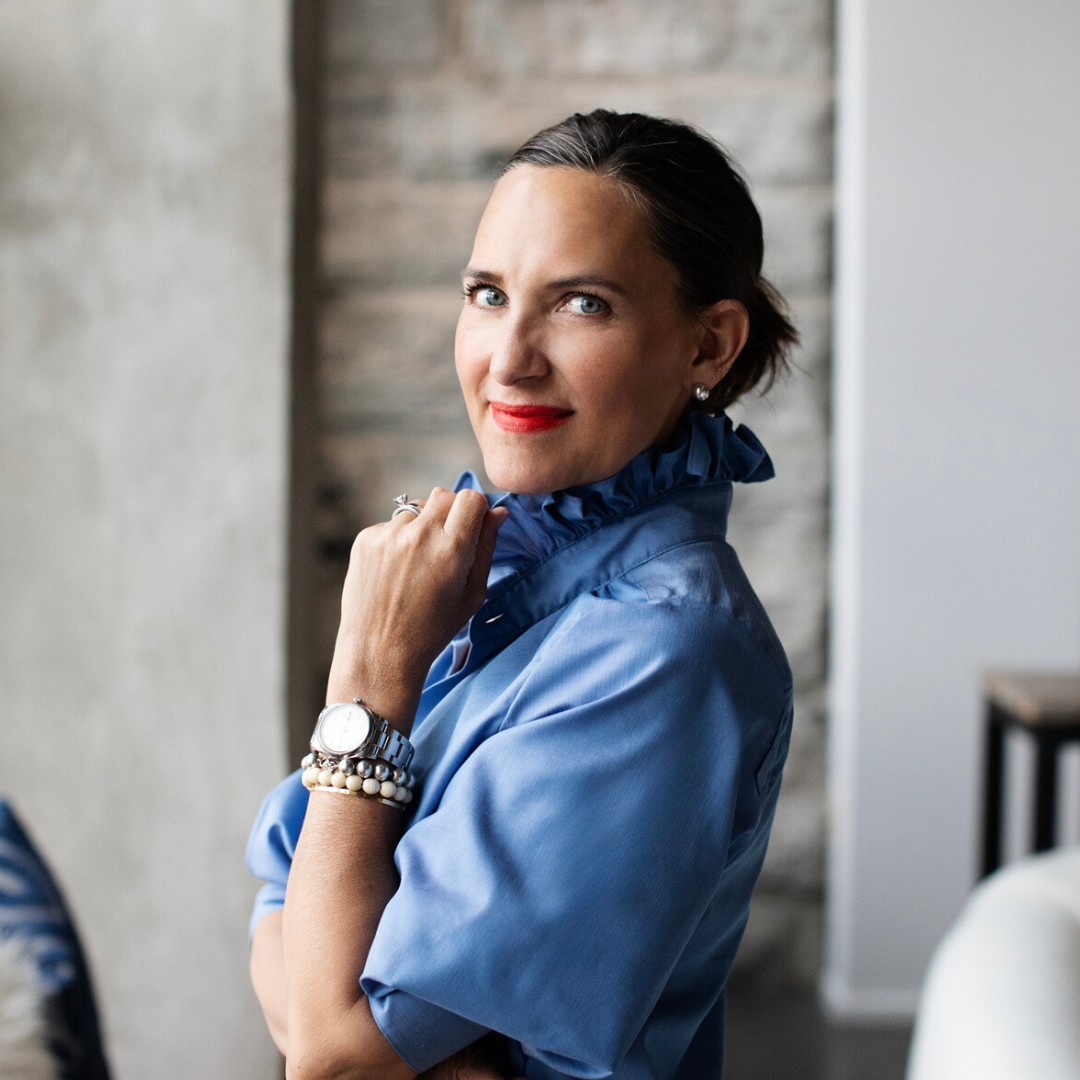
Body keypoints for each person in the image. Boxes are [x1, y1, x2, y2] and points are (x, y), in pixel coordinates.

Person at [246, 109, 797, 1080]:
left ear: (708, 346)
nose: (509, 359)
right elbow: (276, 898)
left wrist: (369, 684)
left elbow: (332, 1054)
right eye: (488, 294)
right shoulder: (485, 567)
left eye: (583, 304)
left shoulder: (665, 652)